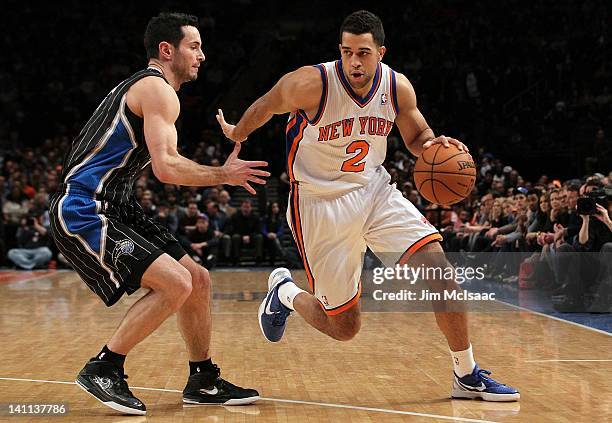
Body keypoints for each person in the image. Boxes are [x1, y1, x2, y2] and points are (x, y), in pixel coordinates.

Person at [217, 10, 519, 401]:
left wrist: (432, 145)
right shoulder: (310, 83)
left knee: (439, 269)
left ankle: (466, 373)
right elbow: (266, 104)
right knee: (344, 327)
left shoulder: (397, 87)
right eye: (346, 52)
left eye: (362, 53)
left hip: (374, 190)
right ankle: (286, 293)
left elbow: (417, 134)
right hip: (319, 202)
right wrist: (237, 133)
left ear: (380, 52)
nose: (354, 62)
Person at [48, 13, 266, 415]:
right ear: (167, 50)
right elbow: (167, 168)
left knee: (197, 279)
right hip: (85, 206)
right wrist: (224, 175)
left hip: (117, 203)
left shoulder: (148, 89)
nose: (202, 55)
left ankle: (202, 378)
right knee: (175, 283)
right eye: (194, 46)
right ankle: (104, 366)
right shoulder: (157, 89)